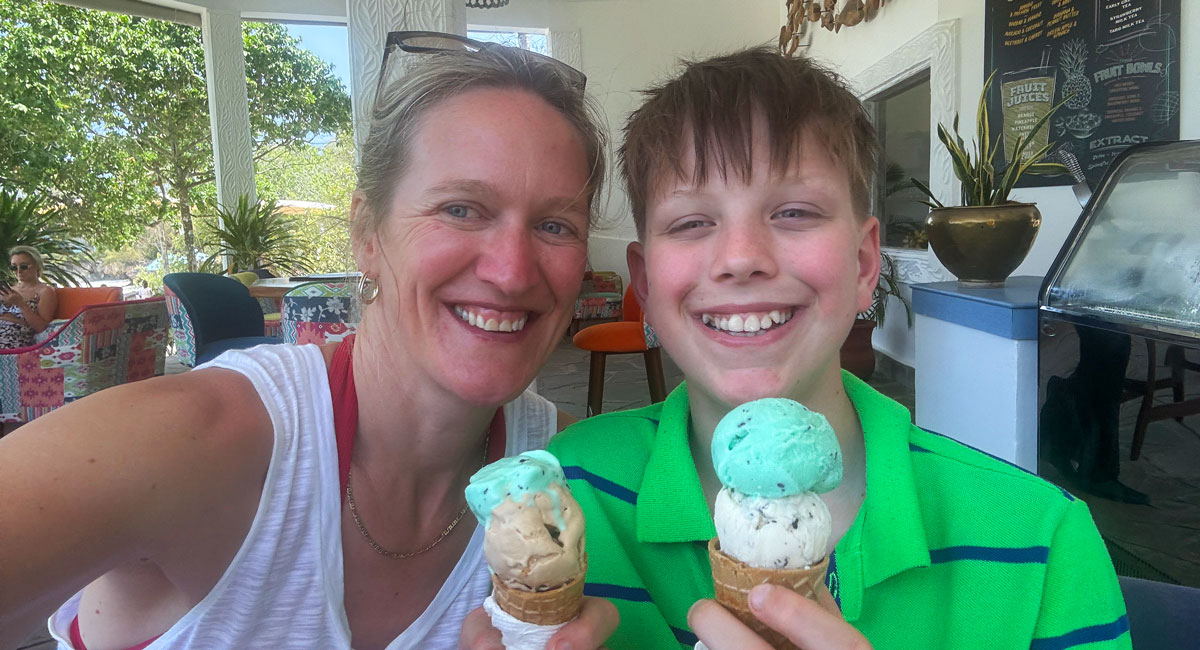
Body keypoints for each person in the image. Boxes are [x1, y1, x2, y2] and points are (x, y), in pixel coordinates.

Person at [0, 35, 616, 650]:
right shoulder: (195, 442)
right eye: (461, 209)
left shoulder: (572, 471)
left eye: (555, 225)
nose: (512, 271)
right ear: (367, 234)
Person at [548, 47, 1131, 650]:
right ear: (645, 283)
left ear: (862, 264)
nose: (742, 257)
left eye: (794, 211)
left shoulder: (1040, 541)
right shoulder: (563, 498)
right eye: (692, 222)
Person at [0, 245, 59, 349]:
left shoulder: (44, 291)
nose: (18, 271)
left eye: (24, 266)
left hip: (13, 340)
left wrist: (21, 304)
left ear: (37, 266)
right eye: (14, 267)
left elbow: (41, 327)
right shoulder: (9, 290)